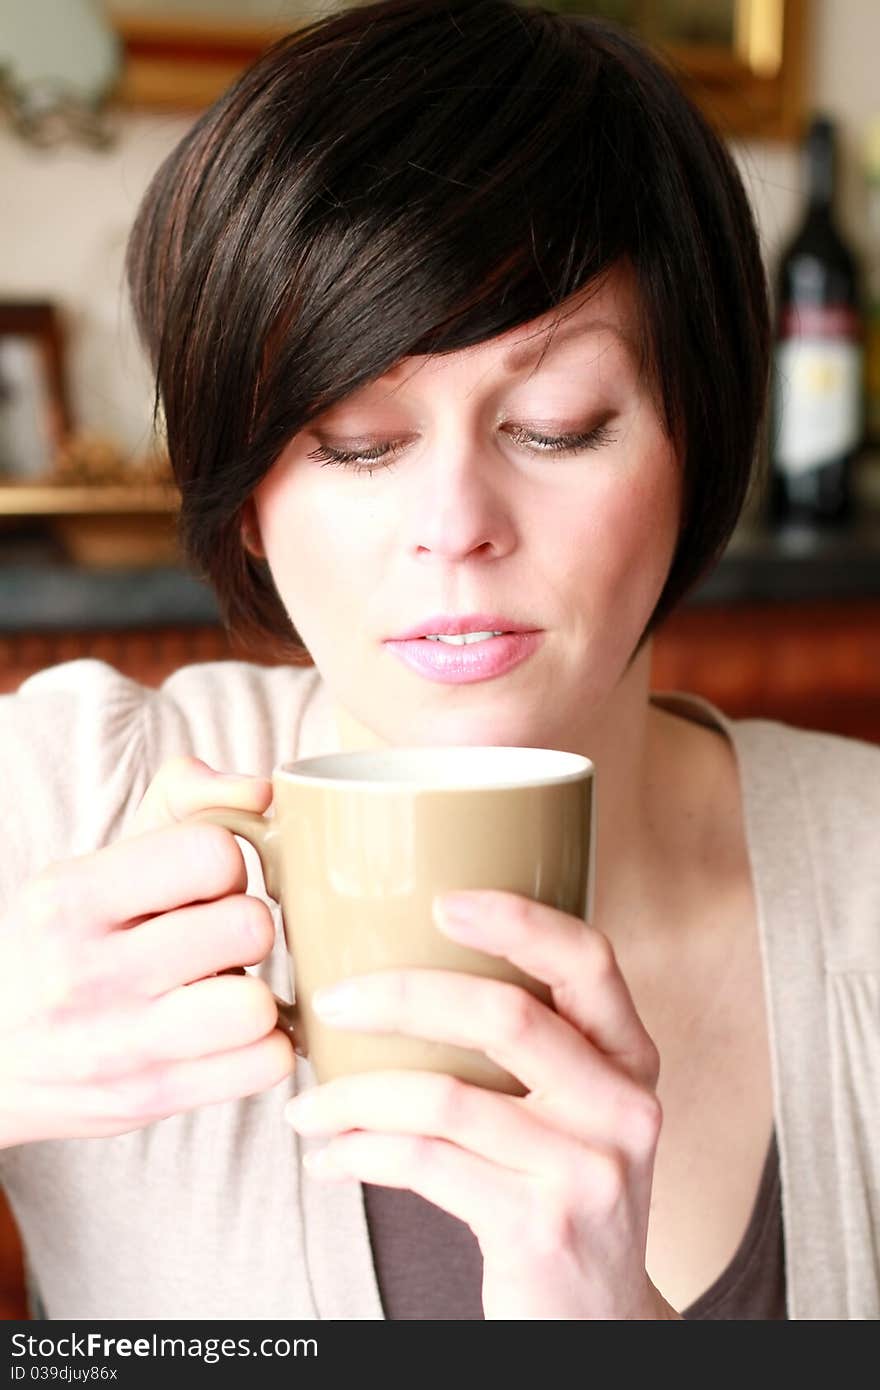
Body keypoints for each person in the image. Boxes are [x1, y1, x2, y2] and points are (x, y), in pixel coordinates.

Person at [0, 0, 877, 1322]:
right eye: (356, 440)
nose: (455, 526)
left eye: (557, 424)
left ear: (699, 441)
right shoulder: (60, 806)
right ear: (243, 491)